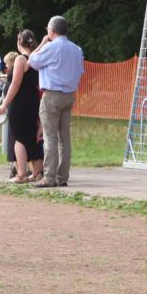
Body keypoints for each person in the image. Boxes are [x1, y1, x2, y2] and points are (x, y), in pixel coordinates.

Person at [28, 15, 84, 188]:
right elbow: (81, 71)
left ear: (51, 31)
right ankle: (62, 176)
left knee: (50, 136)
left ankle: (49, 176)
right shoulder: (77, 49)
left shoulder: (51, 47)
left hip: (52, 95)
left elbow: (32, 61)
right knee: (64, 138)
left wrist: (43, 42)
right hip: (69, 95)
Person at [0, 32, 44, 183]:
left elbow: (16, 83)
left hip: (20, 103)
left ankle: (21, 174)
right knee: (32, 137)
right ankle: (37, 172)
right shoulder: (36, 59)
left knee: (19, 138)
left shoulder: (20, 59)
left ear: (19, 42)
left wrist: (5, 104)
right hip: (33, 102)